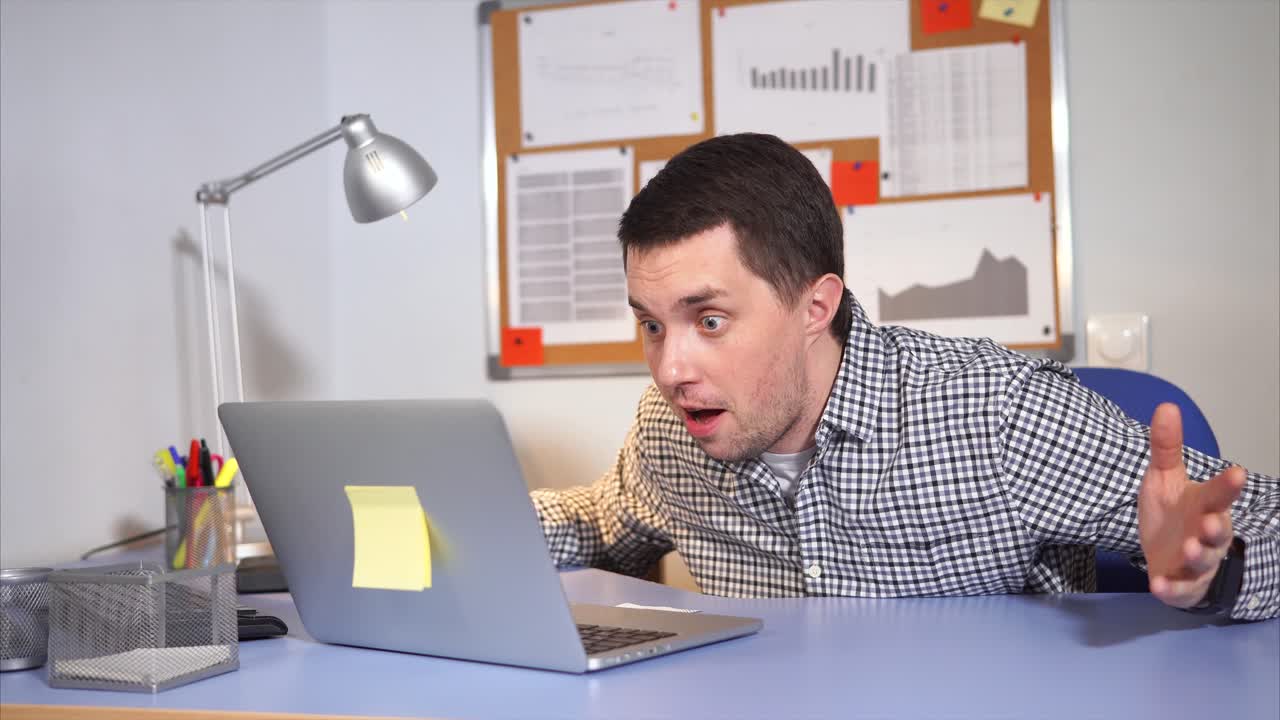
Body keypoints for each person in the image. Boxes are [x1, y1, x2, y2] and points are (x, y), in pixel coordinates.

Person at [531, 133, 1278, 620]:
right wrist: (456, 522)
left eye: (710, 321)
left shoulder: (996, 416)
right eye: (652, 324)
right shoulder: (669, 434)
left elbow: (1264, 524)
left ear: (814, 305)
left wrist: (1215, 571)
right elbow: (600, 523)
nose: (669, 367)